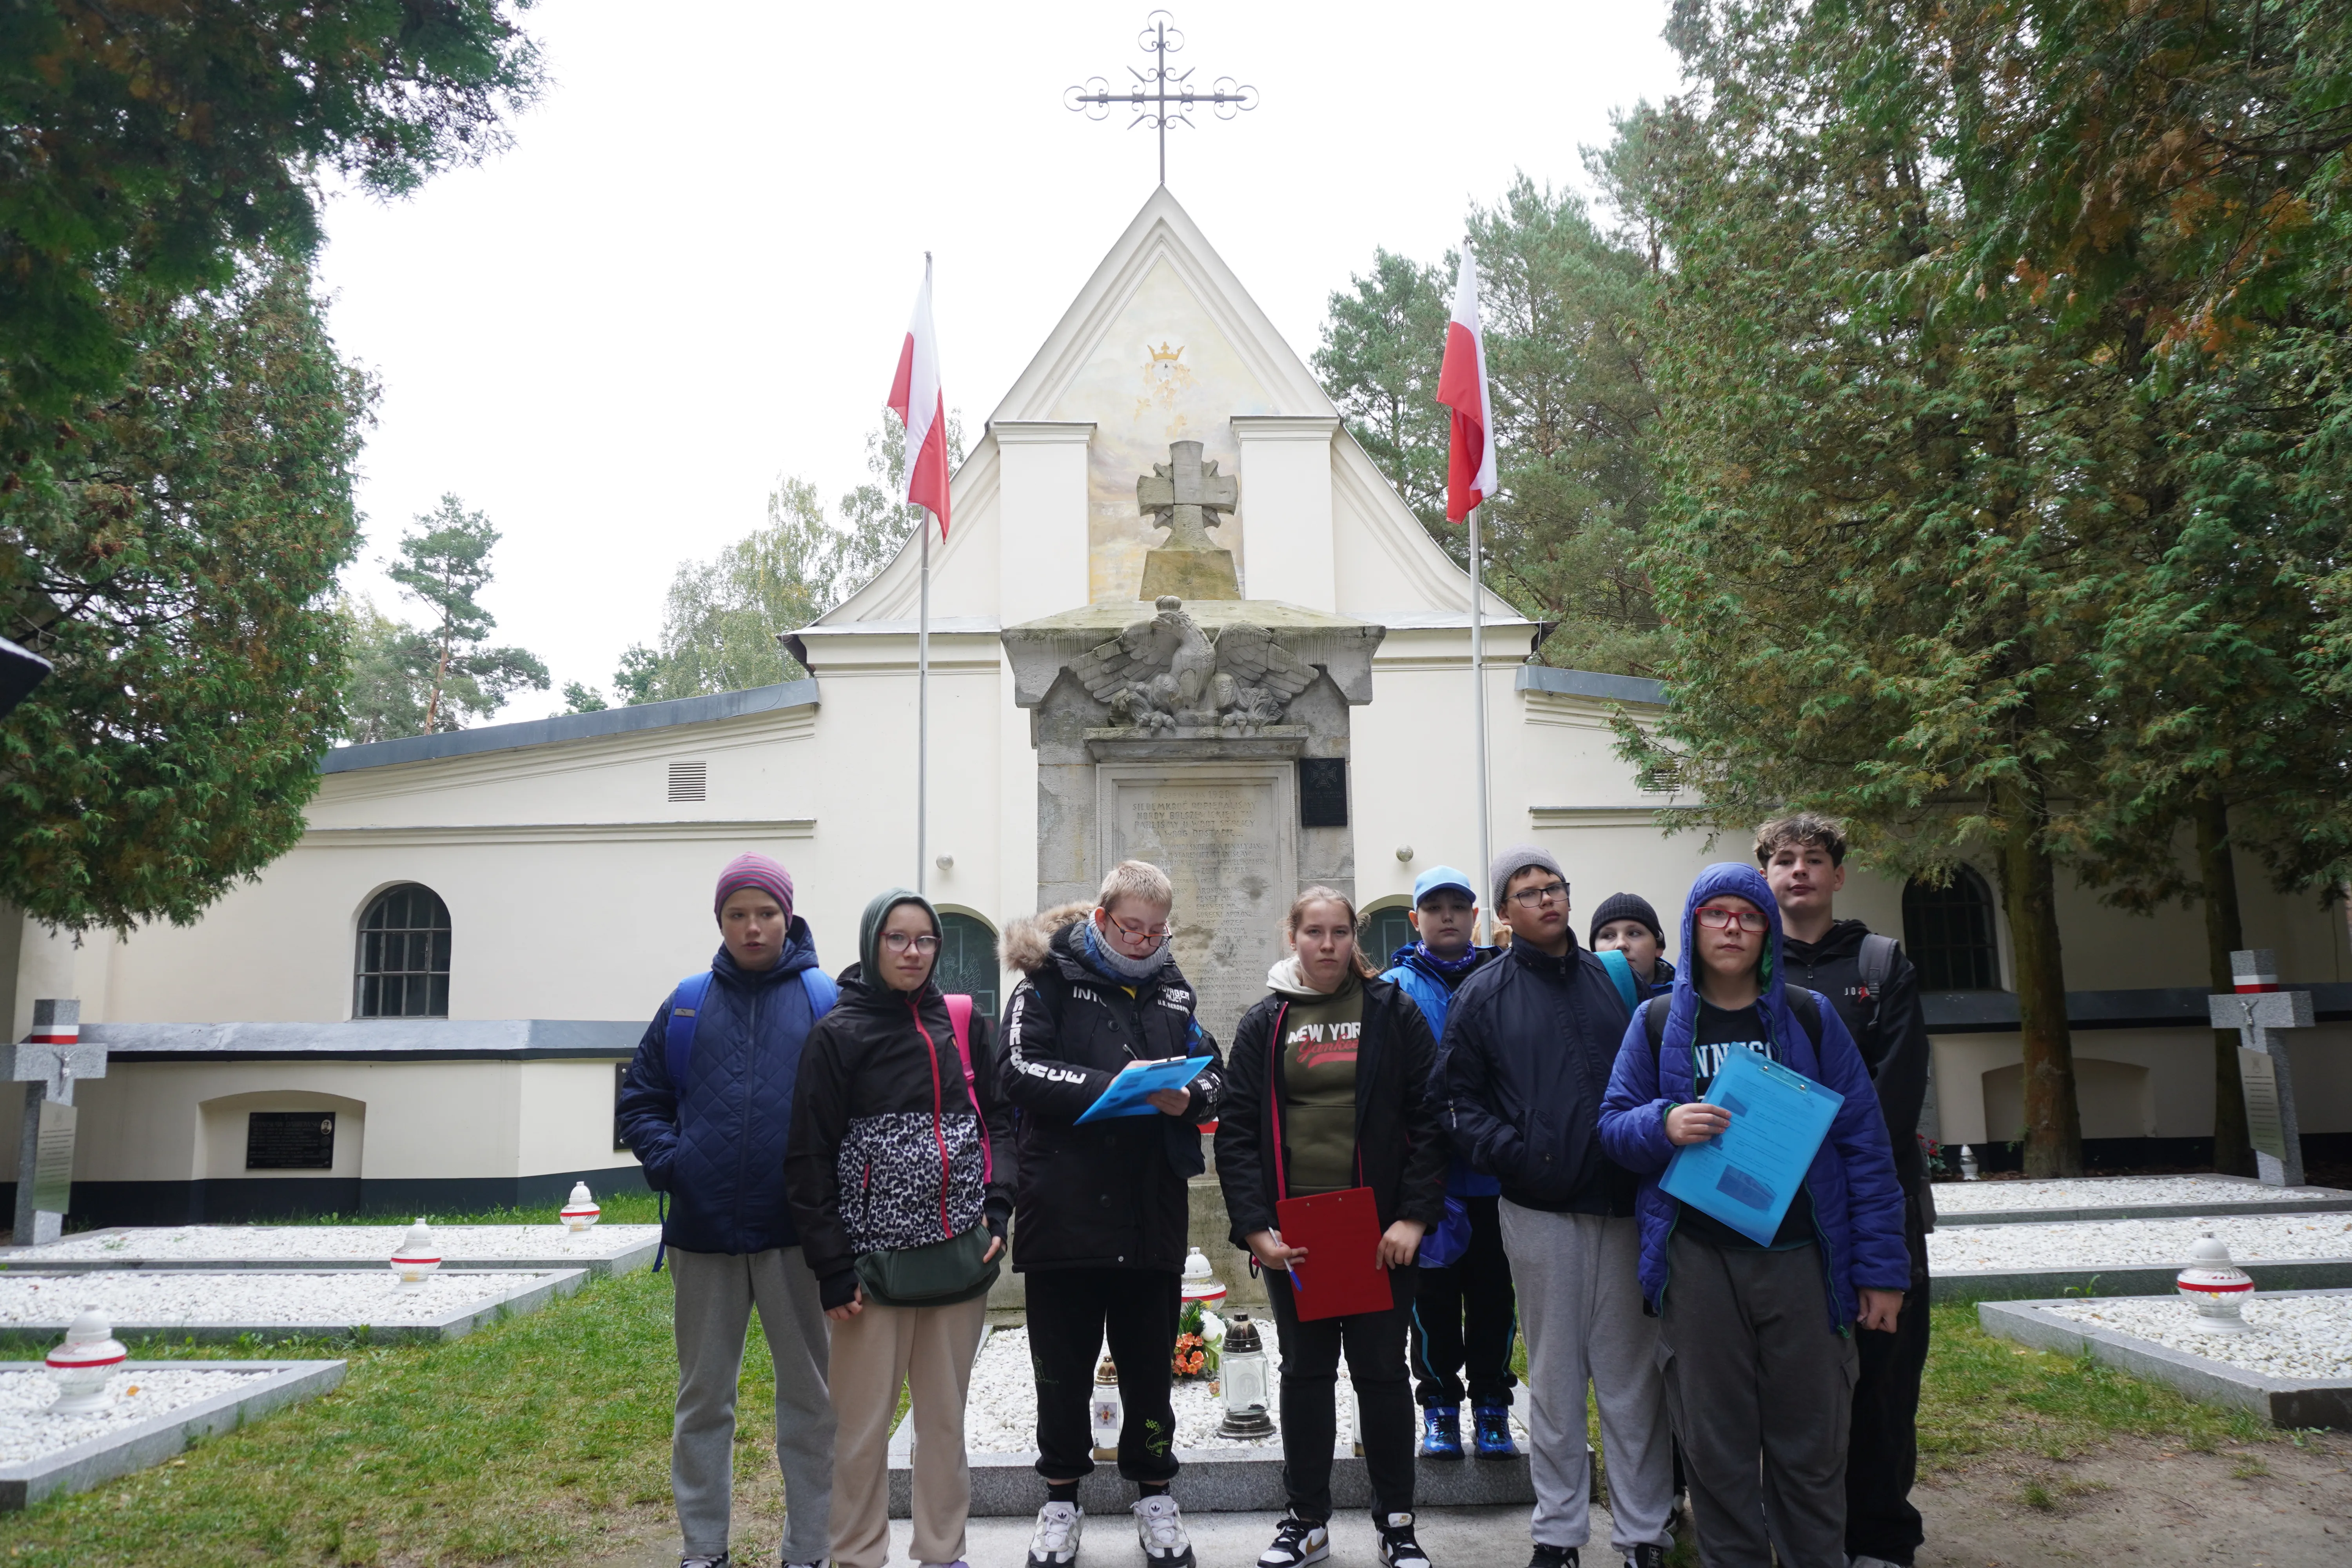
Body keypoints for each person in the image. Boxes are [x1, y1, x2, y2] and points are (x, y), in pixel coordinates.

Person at [1597, 863, 1909, 1568]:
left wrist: (1883, 1273)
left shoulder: (1808, 1017)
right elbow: (1612, 1127)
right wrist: (1665, 1123)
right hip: (1698, 1264)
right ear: (1693, 926)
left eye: (1748, 914)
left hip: (1802, 1258)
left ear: (1768, 928)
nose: (1732, 927)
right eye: (1717, 914)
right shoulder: (1655, 1022)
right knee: (1715, 1449)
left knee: (1811, 1446)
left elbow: (1865, 1147)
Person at [1441, 848, 1673, 1568]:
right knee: (1555, 1375)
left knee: (1633, 1379)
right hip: (1540, 1207)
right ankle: (1560, 1532)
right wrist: (1519, 1154)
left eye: (1555, 888)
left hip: (1625, 1199)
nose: (1546, 900)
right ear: (1504, 913)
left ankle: (1643, 1533)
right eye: (1527, 892)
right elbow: (1453, 1102)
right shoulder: (1481, 995)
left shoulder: (1617, 981)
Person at [997, 860, 1226, 1568]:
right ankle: (1060, 1503)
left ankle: (1157, 1498)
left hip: (1149, 1215)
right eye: (1132, 928)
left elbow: (1214, 1068)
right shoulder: (1046, 982)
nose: (1146, 941)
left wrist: (1192, 1099)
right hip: (1063, 1212)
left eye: (1158, 930)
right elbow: (1017, 1071)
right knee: (1061, 1374)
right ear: (1100, 918)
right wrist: (1114, 1087)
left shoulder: (1174, 990)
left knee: (1150, 1373)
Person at [1217, 887, 1448, 1568]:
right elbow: (1236, 1132)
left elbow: (1431, 1118)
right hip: (1298, 1238)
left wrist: (1412, 1217)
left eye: (1340, 932)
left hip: (1377, 1234)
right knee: (1307, 1374)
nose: (1327, 945)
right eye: (1314, 931)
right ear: (1293, 936)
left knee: (1381, 1373)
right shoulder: (1267, 1021)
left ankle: (1398, 1523)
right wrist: (1255, 1229)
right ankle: (1306, 1520)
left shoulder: (1392, 1012)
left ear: (1356, 939)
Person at [616, 853, 837, 1568]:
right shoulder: (686, 1003)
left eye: (765, 913)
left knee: (811, 1404)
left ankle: (809, 1550)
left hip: (794, 1238)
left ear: (788, 917)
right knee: (703, 1402)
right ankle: (703, 1549)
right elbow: (642, 1096)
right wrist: (671, 1162)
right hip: (703, 1236)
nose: (752, 927)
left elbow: (850, 1112)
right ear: (720, 921)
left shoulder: (823, 1001)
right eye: (738, 914)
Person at [785, 887, 1014, 1568]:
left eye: (925, 940)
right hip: (869, 1273)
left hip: (958, 1262)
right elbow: (807, 1156)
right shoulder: (838, 1035)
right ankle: (856, 1555)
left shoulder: (967, 1024)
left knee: (944, 1426)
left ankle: (944, 1554)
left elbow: (1000, 1121)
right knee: (859, 1434)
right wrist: (831, 1266)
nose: (913, 953)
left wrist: (997, 1205)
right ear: (871, 944)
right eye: (897, 939)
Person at [1755, 814, 1935, 1568]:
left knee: (1884, 1381)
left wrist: (1827, 1165)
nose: (1800, 871)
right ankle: (1799, 1529)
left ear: (1838, 875)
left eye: (1815, 860)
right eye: (1785, 860)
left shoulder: (1882, 962)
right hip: (1775, 1212)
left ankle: (1883, 1537)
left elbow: (1893, 1095)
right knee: (1788, 1385)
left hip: (1874, 1203)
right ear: (1765, 875)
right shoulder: (1741, 965)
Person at [1377, 866, 1515, 1462]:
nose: (1448, 917)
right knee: (1430, 1303)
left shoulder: (1506, 977)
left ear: (1476, 915)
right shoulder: (1393, 987)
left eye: (1460, 906)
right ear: (1416, 920)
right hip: (1427, 1178)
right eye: (1435, 908)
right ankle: (1438, 1406)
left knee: (1494, 1298)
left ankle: (1491, 1407)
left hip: (1495, 1175)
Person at [1589, 893, 1676, 996]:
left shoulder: (1689, 1002)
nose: (1621, 945)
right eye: (1608, 936)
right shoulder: (1580, 1001)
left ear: (1658, 947)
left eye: (1634, 934)